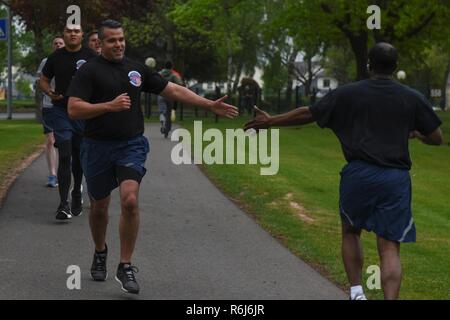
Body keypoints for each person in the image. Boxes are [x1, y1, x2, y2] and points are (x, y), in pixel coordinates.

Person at [244, 42, 444, 300]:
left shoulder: (348, 93)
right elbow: (437, 137)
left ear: (369, 65)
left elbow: (309, 114)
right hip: (395, 179)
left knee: (351, 231)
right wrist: (417, 133)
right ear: (396, 67)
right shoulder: (412, 97)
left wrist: (270, 121)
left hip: (358, 174)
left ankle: (357, 293)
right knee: (389, 245)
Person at [67, 20, 238, 295]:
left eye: (121, 39)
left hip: (130, 144)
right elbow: (74, 109)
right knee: (99, 207)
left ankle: (125, 265)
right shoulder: (89, 71)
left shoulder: (136, 69)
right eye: (112, 40)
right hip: (97, 146)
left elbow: (171, 90)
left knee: (130, 200)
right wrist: (108, 106)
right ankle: (100, 251)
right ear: (100, 43)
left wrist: (208, 104)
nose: (119, 44)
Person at [39, 24, 97, 220]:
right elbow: (43, 80)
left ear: (82, 35)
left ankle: (76, 193)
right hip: (61, 111)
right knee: (64, 153)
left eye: (76, 31)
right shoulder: (55, 57)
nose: (72, 33)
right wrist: (49, 92)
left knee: (78, 156)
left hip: (82, 112)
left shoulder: (91, 56)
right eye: (68, 31)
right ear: (64, 34)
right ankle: (63, 204)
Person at [36, 36, 65, 188]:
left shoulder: (70, 61)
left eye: (61, 43)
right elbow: (39, 81)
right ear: (52, 46)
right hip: (49, 106)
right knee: (51, 140)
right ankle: (52, 175)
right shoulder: (46, 62)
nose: (58, 45)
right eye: (55, 43)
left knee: (65, 142)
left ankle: (64, 172)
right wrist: (49, 91)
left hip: (66, 107)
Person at [157, 61, 183, 138]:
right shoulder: (174, 75)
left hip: (161, 95)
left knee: (162, 111)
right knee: (169, 114)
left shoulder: (159, 74)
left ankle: (162, 122)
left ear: (164, 66)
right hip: (170, 96)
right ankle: (167, 131)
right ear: (172, 67)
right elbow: (180, 84)